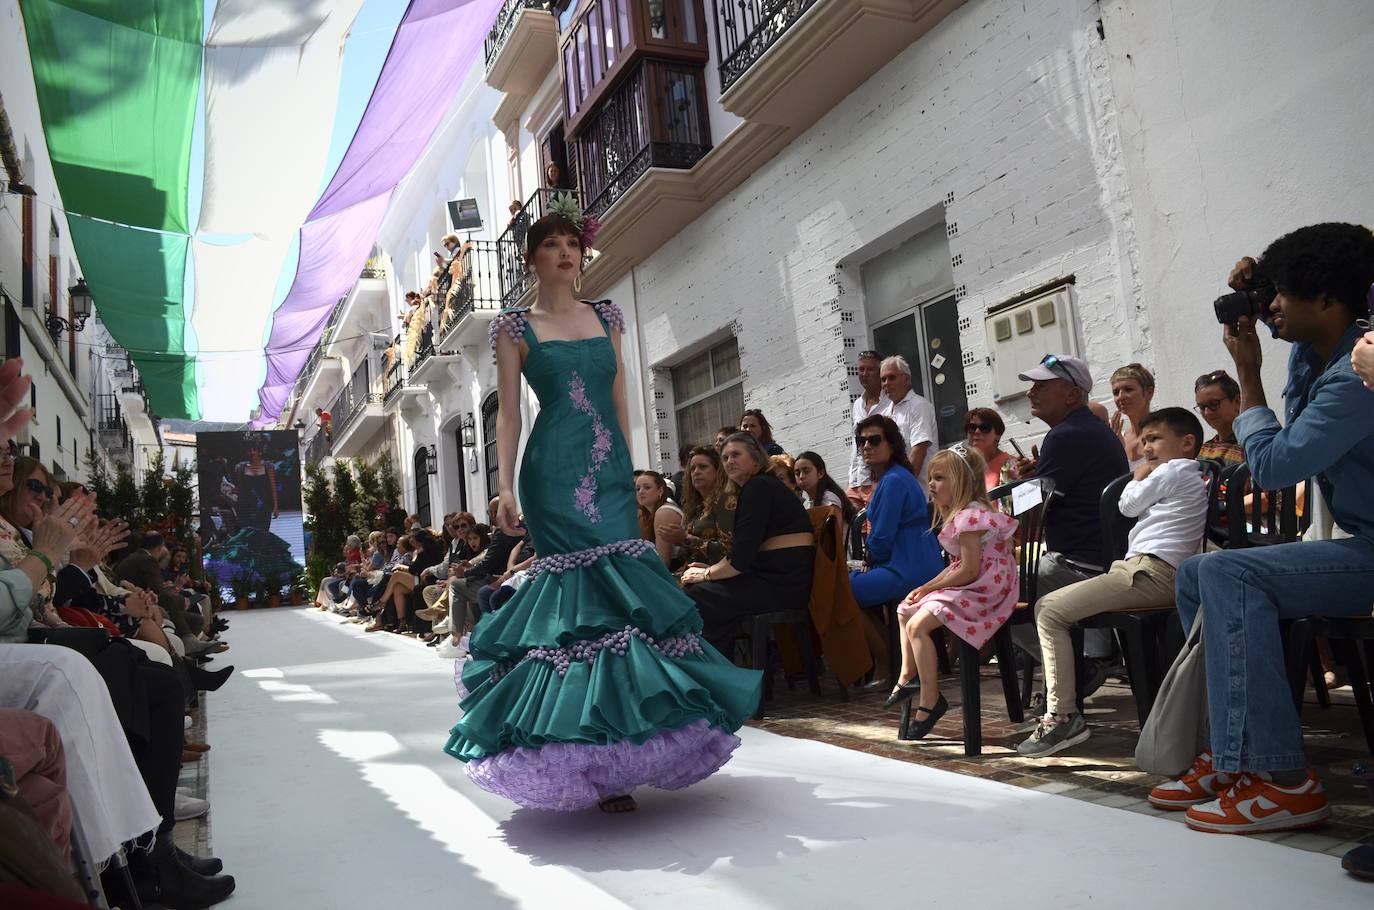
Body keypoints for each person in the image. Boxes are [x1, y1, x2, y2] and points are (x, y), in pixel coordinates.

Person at [444, 201, 760, 814]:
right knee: (579, 610)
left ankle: (631, 740)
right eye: (552, 243)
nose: (566, 251)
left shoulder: (608, 315)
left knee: (624, 601)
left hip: (608, 469)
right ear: (533, 257)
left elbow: (620, 401)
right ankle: (595, 758)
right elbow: (509, 415)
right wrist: (505, 486)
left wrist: (629, 465)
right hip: (551, 473)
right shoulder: (512, 326)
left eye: (572, 242)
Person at [1148, 224, 1374, 835]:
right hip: (1363, 545)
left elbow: (1272, 468)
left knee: (1227, 568)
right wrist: (1268, 288)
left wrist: (1246, 371)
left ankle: (1280, 778)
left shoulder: (1358, 372)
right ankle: (1229, 754)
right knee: (1198, 570)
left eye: (1283, 293)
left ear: (1328, 299)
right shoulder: (1327, 352)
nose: (1270, 306)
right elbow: (1290, 414)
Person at [1017, 407, 1207, 758]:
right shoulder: (1184, 472)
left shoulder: (1175, 469)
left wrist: (1139, 476)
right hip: (1147, 570)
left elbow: (1127, 504)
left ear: (1186, 443)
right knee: (1049, 606)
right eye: (1144, 440)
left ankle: (1062, 717)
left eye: (1155, 440)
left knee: (1050, 610)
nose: (1147, 448)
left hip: (1151, 572)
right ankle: (1065, 706)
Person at [1010, 354, 1130, 689]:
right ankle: (1072, 670)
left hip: (1080, 565)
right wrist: (1036, 479)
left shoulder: (1064, 436)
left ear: (1071, 395)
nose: (1031, 393)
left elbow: (1029, 519)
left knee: (992, 591)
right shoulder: (1090, 430)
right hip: (1103, 559)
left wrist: (1021, 490)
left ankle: (1076, 672)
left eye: (1041, 386)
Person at [891, 447, 1019, 739]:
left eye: (939, 478)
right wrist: (924, 588)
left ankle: (930, 701)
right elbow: (958, 568)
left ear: (960, 481)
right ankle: (907, 676)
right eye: (931, 478)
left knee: (919, 624)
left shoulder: (971, 517)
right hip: (976, 583)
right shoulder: (965, 514)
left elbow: (969, 571)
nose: (931, 485)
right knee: (905, 609)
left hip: (988, 590)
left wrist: (931, 587)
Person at [682, 432, 815, 655]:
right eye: (724, 458)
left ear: (756, 459)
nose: (729, 461)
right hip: (783, 582)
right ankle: (727, 670)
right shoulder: (761, 487)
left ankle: (717, 672)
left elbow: (740, 560)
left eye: (736, 455)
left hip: (781, 586)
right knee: (705, 593)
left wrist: (706, 575)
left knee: (697, 593)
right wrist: (711, 571)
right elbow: (746, 552)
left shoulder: (758, 488)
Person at [848, 415, 942, 607]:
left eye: (874, 440)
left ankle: (879, 638)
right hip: (914, 564)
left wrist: (867, 561)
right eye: (861, 441)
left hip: (907, 569)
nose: (866, 446)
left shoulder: (893, 481)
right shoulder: (896, 476)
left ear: (891, 445)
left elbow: (881, 541)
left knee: (840, 588)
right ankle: (882, 637)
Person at [879, 355, 938, 487]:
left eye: (892, 377)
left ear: (907, 380)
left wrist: (902, 487)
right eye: (883, 379)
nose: (886, 383)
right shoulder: (885, 414)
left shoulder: (919, 405)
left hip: (918, 490)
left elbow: (918, 451)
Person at [679, 445, 737, 568]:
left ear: (718, 471)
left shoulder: (726, 500)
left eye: (703, 467)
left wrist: (687, 539)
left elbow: (729, 550)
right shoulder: (695, 506)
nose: (696, 472)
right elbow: (685, 555)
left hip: (717, 574)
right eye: (693, 468)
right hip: (690, 571)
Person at [846, 350, 888, 508]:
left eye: (870, 369)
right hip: (856, 480)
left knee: (873, 527)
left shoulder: (890, 401)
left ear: (879, 372)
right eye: (861, 369)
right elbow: (855, 444)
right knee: (853, 528)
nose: (865, 374)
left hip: (877, 479)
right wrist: (852, 478)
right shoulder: (858, 404)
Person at [793, 451, 856, 540]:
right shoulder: (806, 503)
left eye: (806, 471)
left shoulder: (829, 499)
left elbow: (834, 536)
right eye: (797, 473)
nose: (801, 476)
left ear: (821, 473)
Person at [1192, 370, 1245, 469]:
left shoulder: (1252, 444)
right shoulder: (1204, 449)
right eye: (1202, 407)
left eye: (1214, 404)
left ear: (1237, 401)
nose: (1207, 412)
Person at [1109, 363, 1156, 469]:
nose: (1121, 396)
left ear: (1149, 393)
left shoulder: (1164, 434)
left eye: (1128, 389)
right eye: (1116, 392)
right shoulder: (1118, 437)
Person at [634, 470, 684, 566]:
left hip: (680, 568)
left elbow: (663, 561)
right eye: (637, 489)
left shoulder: (664, 512)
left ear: (660, 490)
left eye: (647, 487)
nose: (641, 492)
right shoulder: (644, 514)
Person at [963, 407, 1012, 491]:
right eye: (972, 428)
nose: (977, 432)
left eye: (985, 428)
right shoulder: (964, 469)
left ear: (998, 434)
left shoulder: (1010, 465)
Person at [234, 443, 278, 531]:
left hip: (264, 505)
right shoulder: (240, 468)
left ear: (259, 452)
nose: (251, 453)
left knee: (263, 530)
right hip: (247, 505)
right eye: (249, 451)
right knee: (248, 531)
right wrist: (238, 507)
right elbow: (240, 488)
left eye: (253, 451)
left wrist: (276, 506)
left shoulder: (268, 466)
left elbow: (273, 487)